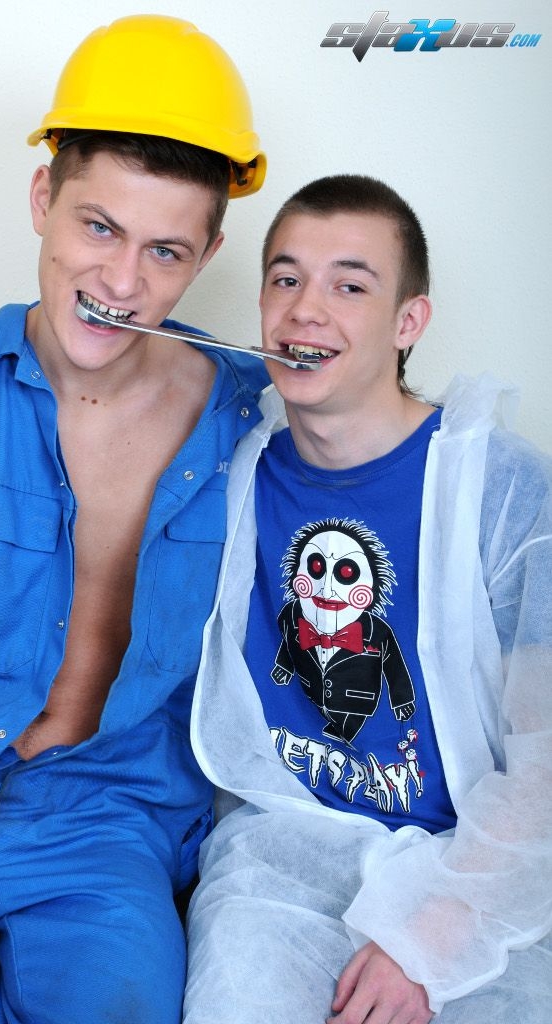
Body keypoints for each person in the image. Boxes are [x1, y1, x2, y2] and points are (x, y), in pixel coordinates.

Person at [0, 14, 269, 1024]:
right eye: (98, 227)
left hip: (105, 828)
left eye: (164, 250)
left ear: (208, 254)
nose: (122, 284)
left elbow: (388, 455)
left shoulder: (252, 423)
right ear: (43, 197)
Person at [183, 174, 552, 1024]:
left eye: (349, 286)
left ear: (407, 321)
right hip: (279, 862)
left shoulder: (499, 487)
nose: (305, 310)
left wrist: (433, 934)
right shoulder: (226, 472)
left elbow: (545, 764)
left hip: (474, 866)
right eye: (285, 278)